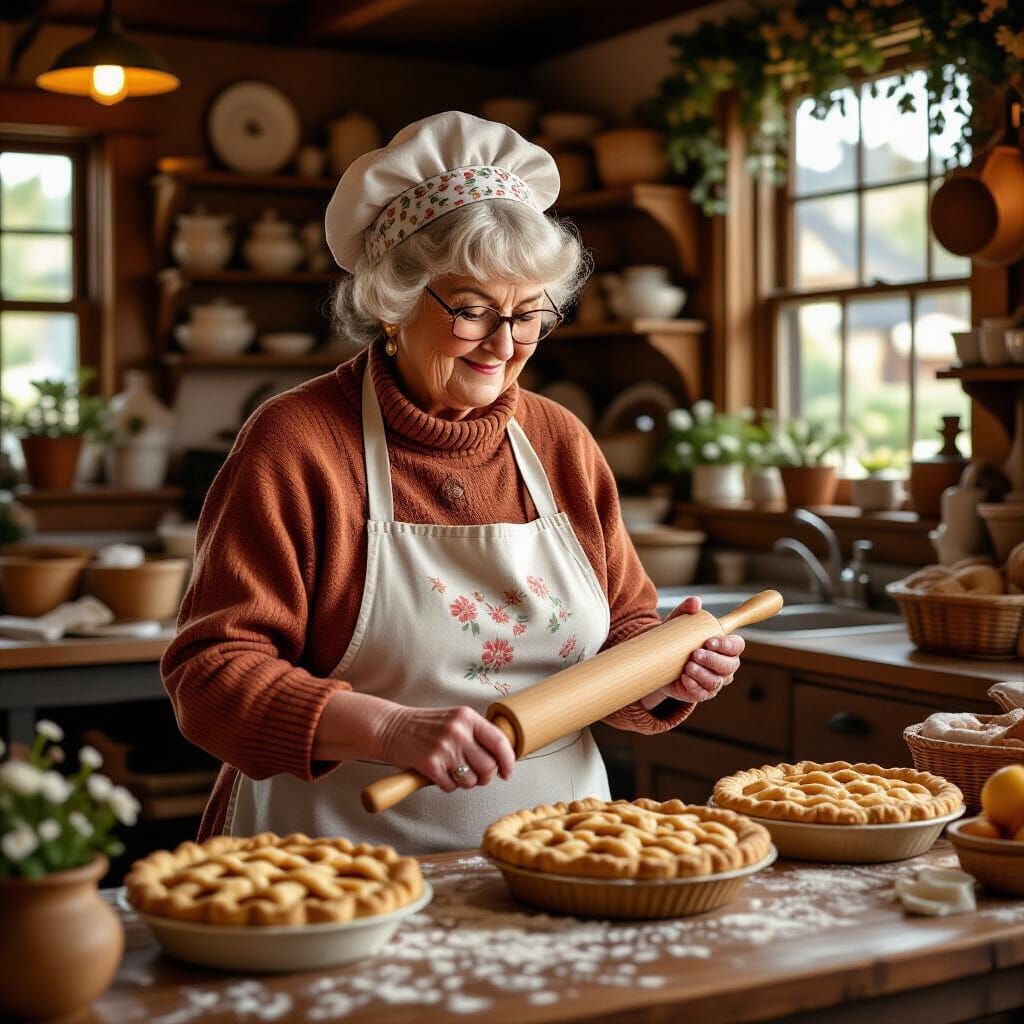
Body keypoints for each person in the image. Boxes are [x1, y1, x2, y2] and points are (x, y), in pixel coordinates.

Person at [161, 111, 745, 854]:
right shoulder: (298, 443)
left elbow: (623, 637)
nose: (505, 344)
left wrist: (665, 670)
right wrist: (389, 729)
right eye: (472, 311)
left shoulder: (561, 443)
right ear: (395, 302)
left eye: (529, 313)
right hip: (334, 860)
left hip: (560, 854)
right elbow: (210, 678)